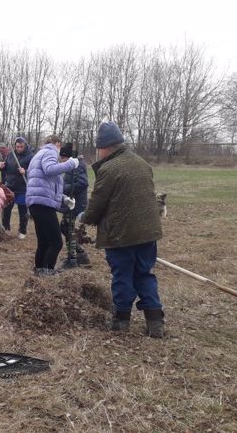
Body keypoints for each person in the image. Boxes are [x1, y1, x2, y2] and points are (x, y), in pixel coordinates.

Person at [78, 122, 165, 337]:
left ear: (105, 147)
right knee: (144, 273)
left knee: (122, 275)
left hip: (121, 233)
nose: (98, 153)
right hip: (148, 232)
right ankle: (155, 322)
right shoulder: (142, 163)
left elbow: (97, 203)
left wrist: (84, 218)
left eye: (98, 149)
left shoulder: (108, 169)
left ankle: (120, 320)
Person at [25, 135, 79, 276]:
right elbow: (49, 169)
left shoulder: (39, 155)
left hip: (36, 203)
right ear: (58, 144)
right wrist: (71, 164)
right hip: (43, 205)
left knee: (44, 241)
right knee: (56, 242)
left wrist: (64, 199)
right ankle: (48, 271)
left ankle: (39, 270)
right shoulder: (50, 152)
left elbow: (44, 185)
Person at [59, 144, 91, 267]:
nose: (62, 161)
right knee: (64, 227)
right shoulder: (73, 164)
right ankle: (81, 254)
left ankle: (72, 259)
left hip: (76, 203)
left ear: (68, 156)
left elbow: (83, 183)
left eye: (63, 159)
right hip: (70, 202)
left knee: (69, 229)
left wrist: (65, 189)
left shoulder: (78, 165)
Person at [0, 137, 33, 238]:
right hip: (10, 186)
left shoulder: (31, 156)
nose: (19, 148)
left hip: (22, 188)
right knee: (6, 209)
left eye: (21, 146)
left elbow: (35, 171)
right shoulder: (10, 154)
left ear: (25, 145)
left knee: (22, 210)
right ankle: (6, 228)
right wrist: (1, 167)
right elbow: (5, 168)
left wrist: (26, 172)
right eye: (17, 146)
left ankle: (22, 231)